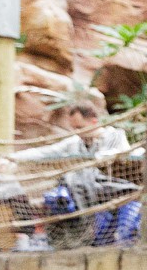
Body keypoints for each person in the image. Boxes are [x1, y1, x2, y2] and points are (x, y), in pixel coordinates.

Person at [17, 93, 136, 246]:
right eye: (73, 128)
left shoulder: (115, 136)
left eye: (80, 128)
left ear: (94, 122)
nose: (77, 132)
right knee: (57, 197)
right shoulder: (75, 142)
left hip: (113, 191)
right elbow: (47, 151)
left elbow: (121, 153)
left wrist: (98, 158)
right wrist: (13, 158)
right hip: (84, 194)